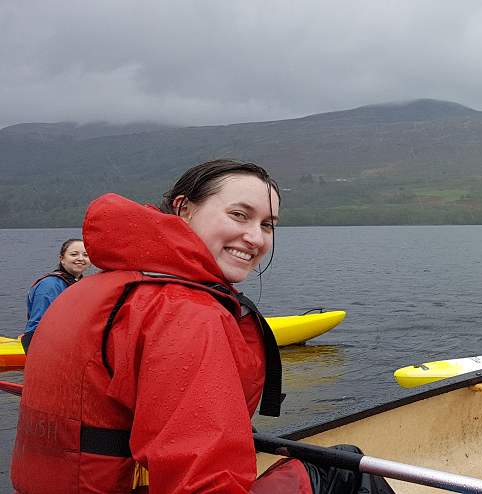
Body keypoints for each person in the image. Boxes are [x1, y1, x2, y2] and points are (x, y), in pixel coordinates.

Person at [12, 159, 394, 494]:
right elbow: (201, 480)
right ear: (183, 208)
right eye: (239, 215)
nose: (256, 238)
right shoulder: (184, 311)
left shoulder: (95, 288)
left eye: (268, 225)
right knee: (344, 468)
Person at [22, 238, 91, 353]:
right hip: (41, 342)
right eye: (74, 254)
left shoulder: (80, 283)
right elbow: (41, 324)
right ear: (62, 259)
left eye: (86, 255)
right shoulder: (50, 285)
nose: (80, 258)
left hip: (66, 341)